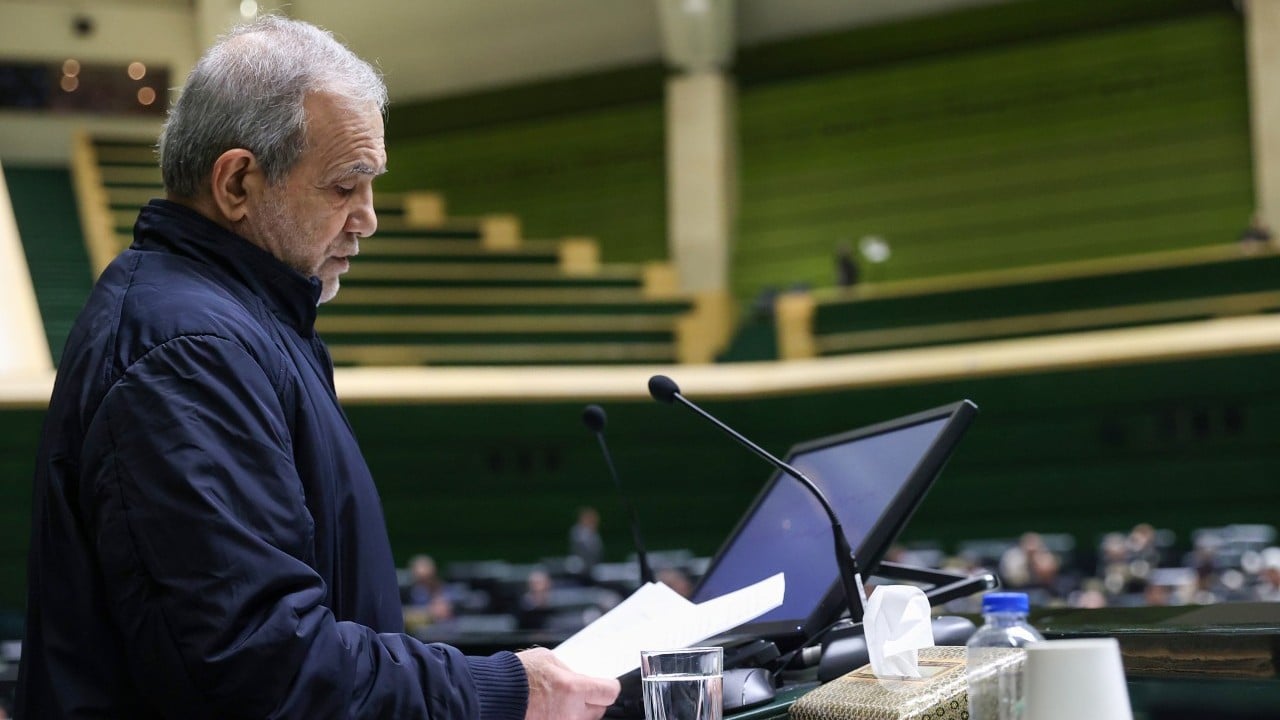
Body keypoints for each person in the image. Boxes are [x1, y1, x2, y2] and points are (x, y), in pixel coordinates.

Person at [16, 16, 618, 720]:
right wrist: (507, 689)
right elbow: (259, 666)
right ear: (238, 182)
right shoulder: (188, 354)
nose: (367, 218)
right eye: (344, 187)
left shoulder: (237, 325)